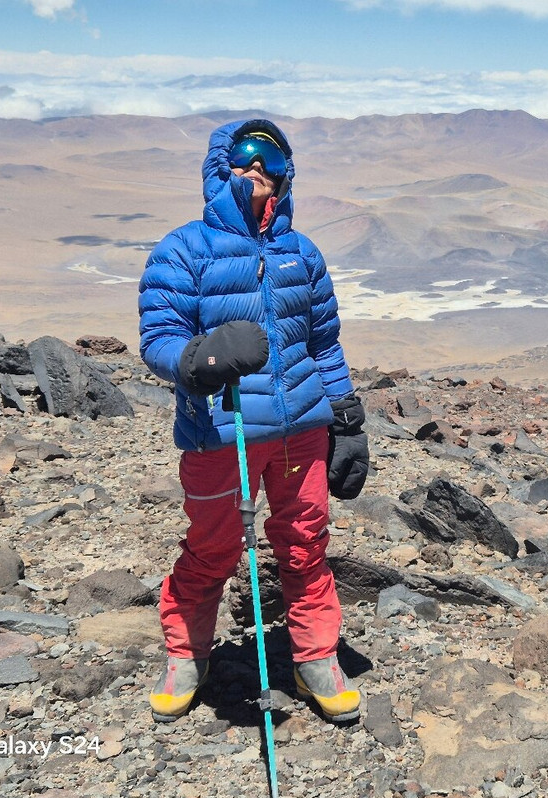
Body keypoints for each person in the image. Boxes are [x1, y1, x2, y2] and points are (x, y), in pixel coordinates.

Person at [137, 118, 369, 724]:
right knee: (212, 548)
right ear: (221, 164)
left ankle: (315, 656)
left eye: (275, 158)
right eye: (246, 153)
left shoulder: (302, 253)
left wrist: (346, 419)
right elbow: (159, 339)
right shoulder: (184, 249)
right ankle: (186, 654)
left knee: (305, 544)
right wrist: (199, 359)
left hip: (302, 433)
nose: (259, 166)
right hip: (221, 433)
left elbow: (324, 344)